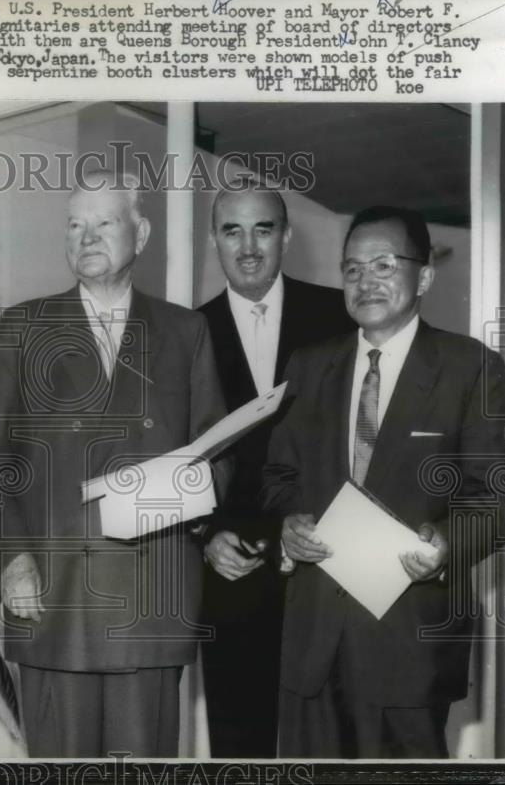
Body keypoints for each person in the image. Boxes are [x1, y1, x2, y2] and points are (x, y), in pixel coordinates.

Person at [0, 169, 228, 757]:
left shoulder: (187, 331)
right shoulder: (21, 327)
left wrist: (159, 502)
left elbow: (218, 455)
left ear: (140, 235)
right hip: (51, 595)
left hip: (151, 602)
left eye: (104, 222)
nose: (86, 236)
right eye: (74, 224)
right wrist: (11, 557)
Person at [262, 205, 505, 758]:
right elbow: (279, 477)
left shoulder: (471, 367)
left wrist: (446, 545)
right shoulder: (308, 365)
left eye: (382, 265)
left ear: (423, 276)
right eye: (352, 269)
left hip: (409, 648)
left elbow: (491, 504)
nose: (365, 281)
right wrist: (287, 523)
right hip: (313, 644)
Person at [197, 188, 353, 758]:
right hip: (231, 575)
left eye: (263, 229)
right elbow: (175, 456)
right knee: (242, 751)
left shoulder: (340, 316)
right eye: (232, 231)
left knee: (336, 745)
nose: (248, 246)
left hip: (328, 566)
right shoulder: (185, 333)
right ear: (214, 239)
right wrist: (205, 535)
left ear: (286, 237)